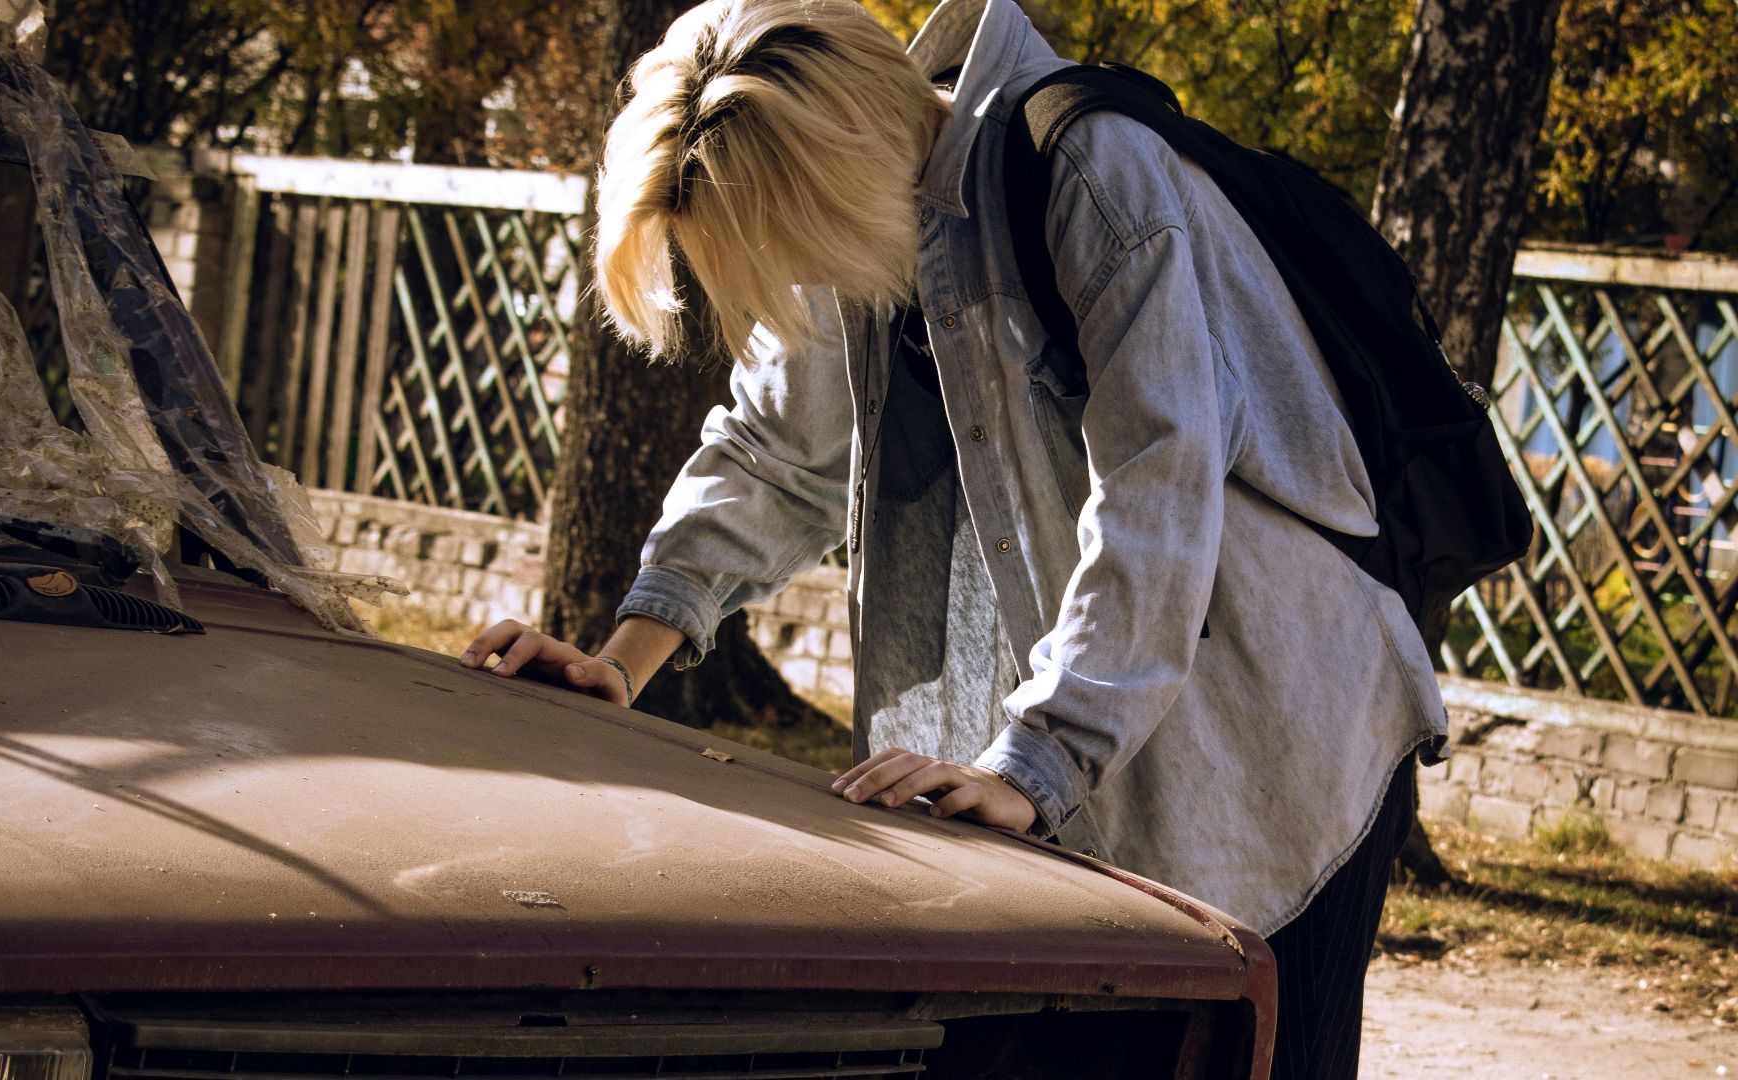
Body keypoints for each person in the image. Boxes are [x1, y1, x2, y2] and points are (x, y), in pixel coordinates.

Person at [459, 0, 1445, 1075]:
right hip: (1058, 774)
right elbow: (776, 450)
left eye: (793, 260)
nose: (798, 287)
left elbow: (1158, 486)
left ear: (830, 178)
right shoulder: (862, 206)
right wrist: (622, 662)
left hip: (1273, 755)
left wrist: (1041, 757)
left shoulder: (1091, 175)